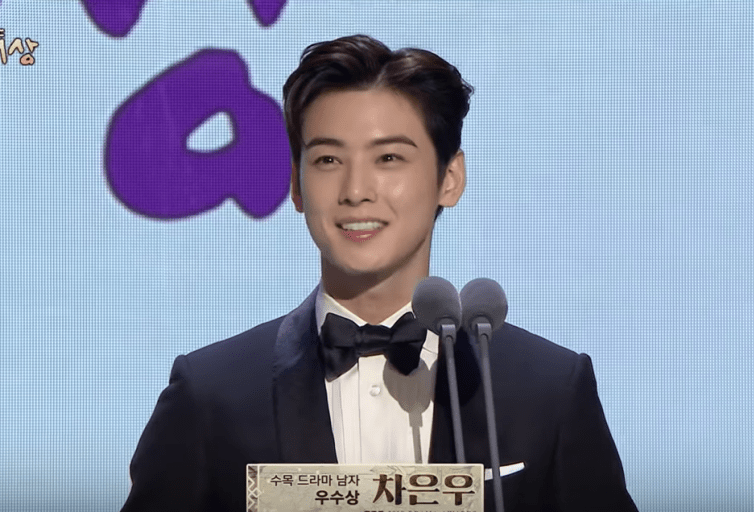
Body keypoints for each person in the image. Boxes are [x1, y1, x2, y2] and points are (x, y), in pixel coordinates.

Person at [121, 34, 638, 511]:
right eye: (328, 160)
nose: (356, 191)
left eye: (388, 157)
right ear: (296, 186)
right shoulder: (212, 394)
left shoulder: (548, 388)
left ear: (449, 178)